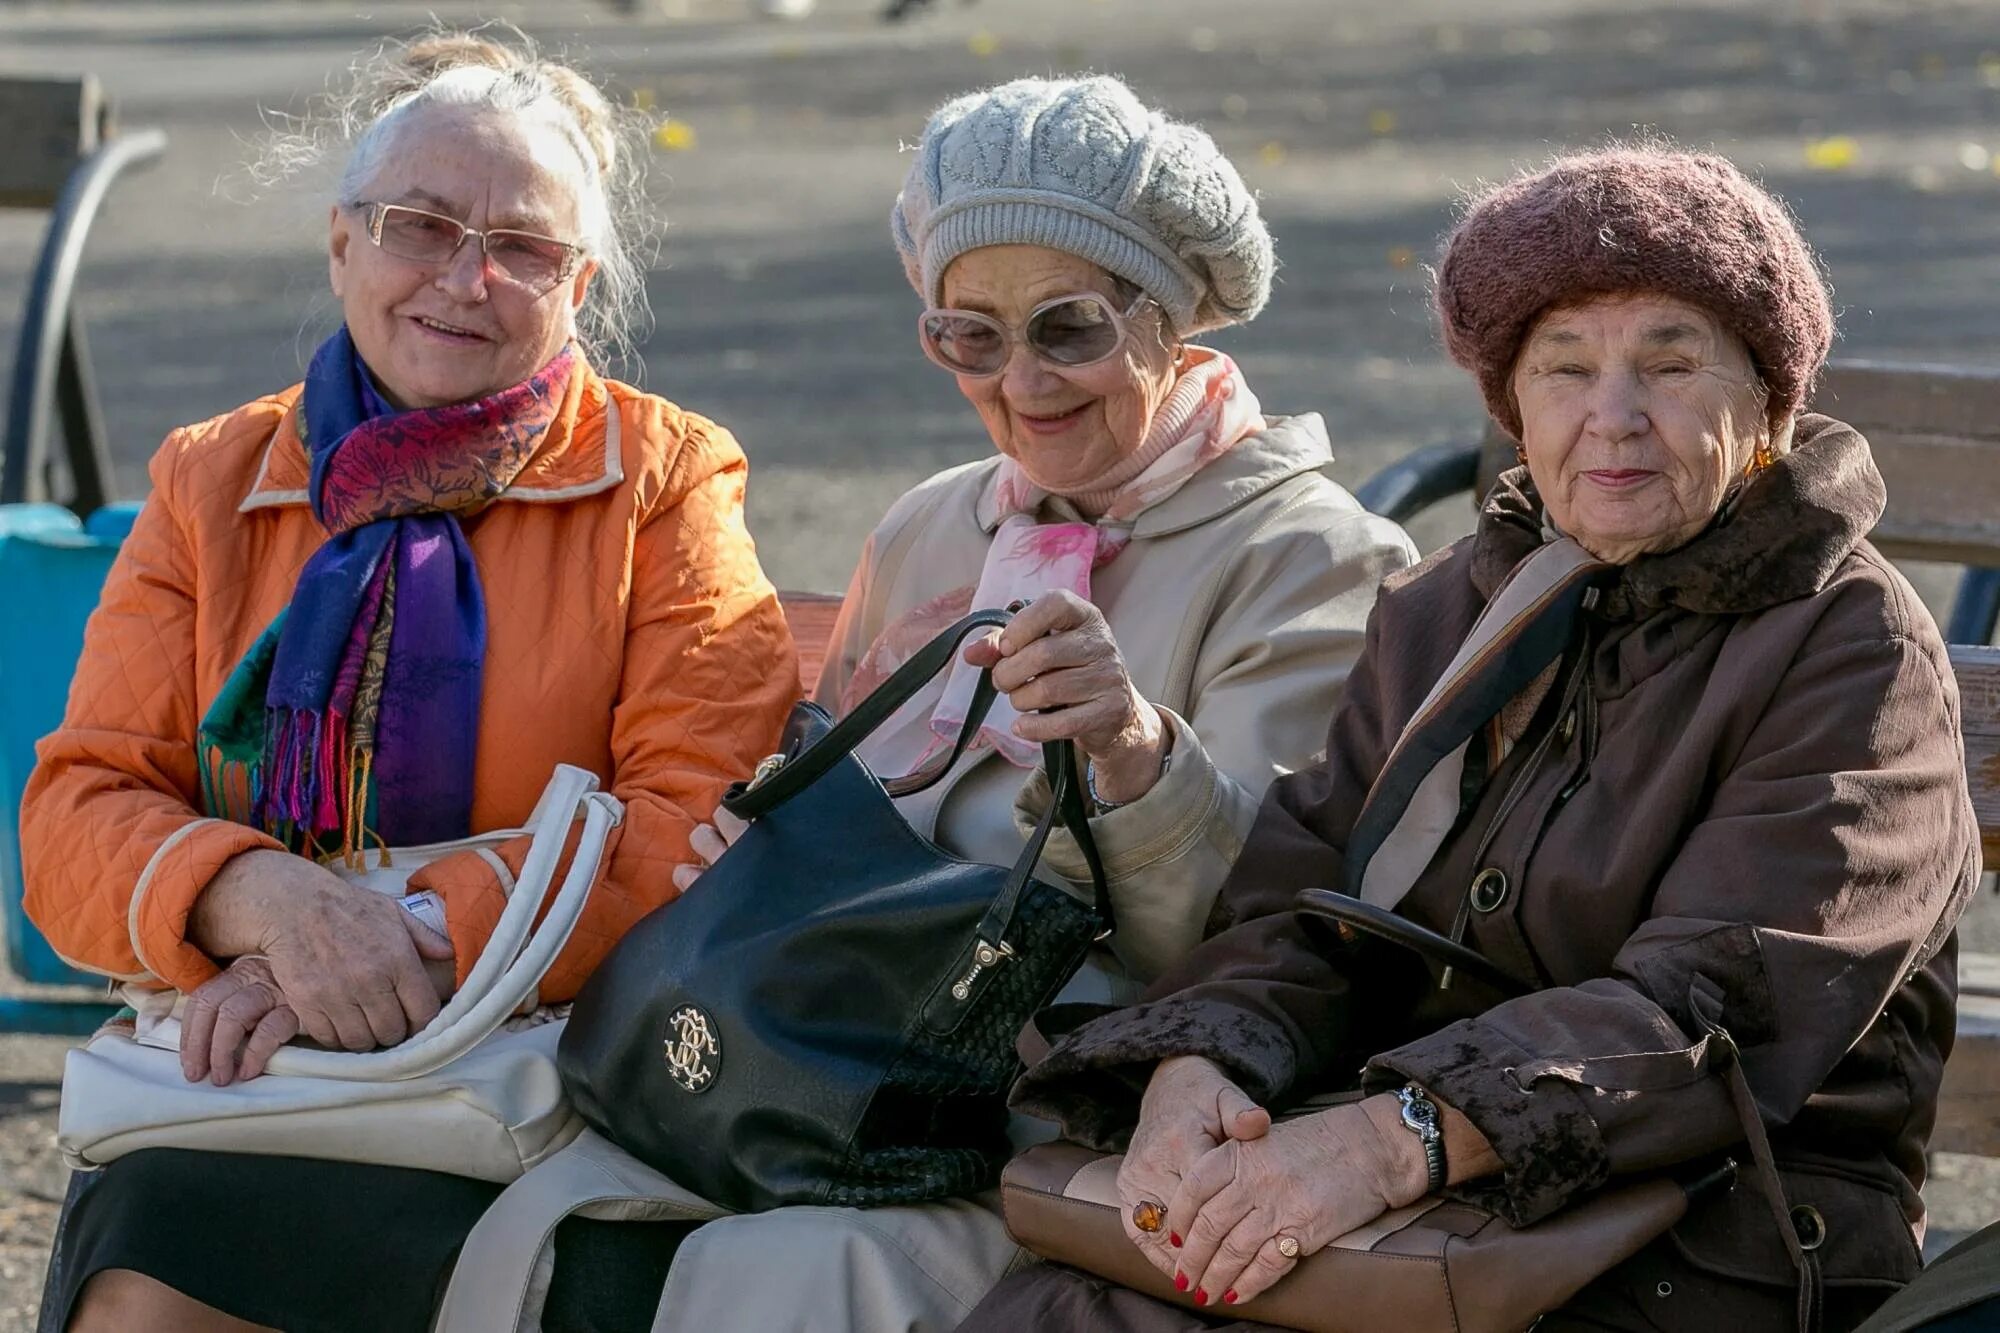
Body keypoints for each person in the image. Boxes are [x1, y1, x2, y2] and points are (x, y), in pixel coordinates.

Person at [960, 144, 1982, 1331]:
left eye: (1669, 362)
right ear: (1511, 405)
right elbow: (1300, 901)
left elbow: (1710, 1005)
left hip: (1707, 1230)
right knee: (1061, 1309)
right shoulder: (1451, 606)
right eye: (1563, 368)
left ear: (1765, 399)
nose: (1613, 418)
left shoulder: (1852, 648)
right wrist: (1200, 1069)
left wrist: (1388, 1141)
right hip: (1438, 1213)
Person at [466, 74, 1416, 1332]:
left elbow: (1269, 948)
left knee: (783, 1273)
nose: (1018, 381)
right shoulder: (934, 523)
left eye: (1065, 328)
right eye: (967, 335)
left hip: (1052, 1125)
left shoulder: (1313, 561)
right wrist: (763, 859)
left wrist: (1132, 752)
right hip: (816, 1066)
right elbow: (837, 808)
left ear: (1171, 323)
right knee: (532, 1204)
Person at [23, 31, 798, 1333]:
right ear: (342, 243)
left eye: (524, 249)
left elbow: (689, 819)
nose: (466, 280)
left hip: (537, 1079)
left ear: (580, 283)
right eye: (421, 226)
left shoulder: (663, 479)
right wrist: (256, 897)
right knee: (156, 1252)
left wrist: (389, 943)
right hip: (258, 1079)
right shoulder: (213, 480)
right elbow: (77, 813)